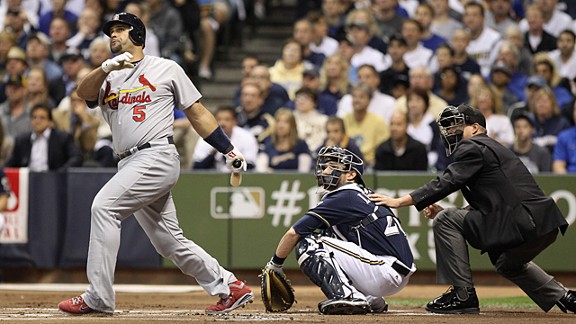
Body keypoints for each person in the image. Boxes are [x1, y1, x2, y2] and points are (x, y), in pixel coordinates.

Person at [57, 12, 253, 315]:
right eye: (111, 31)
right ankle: (229, 286)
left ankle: (98, 296)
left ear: (137, 34)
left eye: (121, 30)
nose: (113, 35)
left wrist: (227, 149)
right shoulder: (106, 76)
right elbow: (83, 93)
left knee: (104, 208)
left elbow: (197, 113)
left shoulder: (165, 68)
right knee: (168, 242)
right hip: (128, 163)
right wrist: (104, 68)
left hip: (155, 155)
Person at [368, 104, 574, 315]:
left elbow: (446, 182)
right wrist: (452, 214)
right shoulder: (492, 147)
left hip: (521, 220)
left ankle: (463, 295)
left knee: (445, 219)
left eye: (457, 126)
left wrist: (399, 201)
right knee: (506, 263)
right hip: (541, 223)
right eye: (448, 127)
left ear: (475, 128)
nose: (451, 132)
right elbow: (495, 200)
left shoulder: (473, 146)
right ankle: (565, 296)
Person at [264, 146, 415, 315]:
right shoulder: (358, 195)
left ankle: (348, 295)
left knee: (309, 243)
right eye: (326, 166)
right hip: (390, 270)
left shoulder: (345, 195)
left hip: (383, 271)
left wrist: (275, 265)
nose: (325, 171)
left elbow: (294, 233)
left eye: (332, 166)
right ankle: (371, 298)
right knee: (329, 233)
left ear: (351, 175)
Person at [6, 103, 83, 171]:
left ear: (50, 122)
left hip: (54, 180)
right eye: (34, 117)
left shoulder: (62, 138)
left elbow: (77, 157)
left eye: (42, 118)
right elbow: (11, 163)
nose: (37, 121)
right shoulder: (22, 140)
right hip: (28, 180)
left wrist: (61, 173)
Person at [193, 106, 258, 171]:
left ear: (235, 122)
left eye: (227, 120)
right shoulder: (206, 137)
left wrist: (228, 153)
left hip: (240, 177)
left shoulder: (246, 137)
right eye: (219, 119)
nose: (222, 123)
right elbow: (197, 167)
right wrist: (213, 154)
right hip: (213, 177)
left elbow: (250, 166)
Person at [256, 108, 311, 173]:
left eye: (285, 122)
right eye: (278, 121)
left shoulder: (301, 145)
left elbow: (304, 173)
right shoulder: (269, 144)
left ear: (292, 126)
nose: (281, 126)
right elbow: (260, 170)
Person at [552, 107, 576, 174]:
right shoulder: (564, 136)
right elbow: (558, 165)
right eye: (575, 109)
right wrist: (569, 183)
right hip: (572, 180)